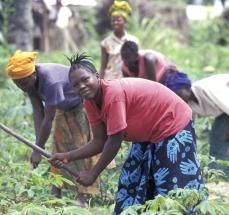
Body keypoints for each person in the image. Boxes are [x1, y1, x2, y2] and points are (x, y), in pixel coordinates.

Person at [49, 53, 204, 214]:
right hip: (149, 133)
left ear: (97, 76)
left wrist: (93, 173)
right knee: (132, 179)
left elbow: (115, 139)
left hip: (172, 122)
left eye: (85, 80)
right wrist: (68, 156)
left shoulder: (113, 94)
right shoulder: (89, 102)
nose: (81, 86)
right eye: (75, 85)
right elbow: (100, 141)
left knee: (172, 184)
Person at [5, 50, 99, 207]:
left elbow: (48, 118)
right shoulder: (28, 82)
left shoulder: (50, 81)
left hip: (81, 106)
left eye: (23, 82)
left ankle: (81, 197)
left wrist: (37, 150)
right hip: (63, 108)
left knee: (79, 150)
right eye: (17, 83)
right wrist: (37, 145)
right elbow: (38, 111)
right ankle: (56, 191)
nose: (21, 87)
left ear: (33, 74)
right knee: (57, 150)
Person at [165, 72, 229, 173]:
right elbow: (188, 125)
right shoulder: (187, 103)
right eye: (175, 96)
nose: (178, 98)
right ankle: (218, 172)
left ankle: (220, 173)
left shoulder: (206, 90)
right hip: (224, 113)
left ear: (187, 88)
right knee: (218, 137)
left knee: (220, 137)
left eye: (178, 94)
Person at [100, 0, 139, 80]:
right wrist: (101, 83)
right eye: (113, 20)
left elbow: (137, 62)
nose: (115, 23)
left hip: (128, 80)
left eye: (118, 20)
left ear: (125, 21)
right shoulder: (105, 43)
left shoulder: (133, 40)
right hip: (110, 80)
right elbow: (103, 66)